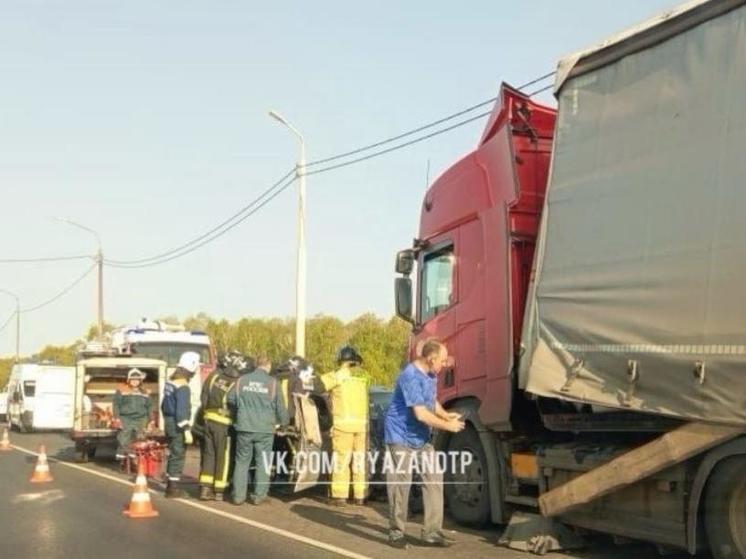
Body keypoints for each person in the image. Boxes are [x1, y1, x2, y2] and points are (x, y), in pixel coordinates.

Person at [383, 339, 465, 549]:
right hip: (400, 436)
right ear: (431, 358)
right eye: (443, 360)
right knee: (401, 483)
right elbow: (420, 414)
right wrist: (449, 427)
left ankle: (431, 532)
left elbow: (431, 401)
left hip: (419, 437)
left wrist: (446, 415)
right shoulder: (409, 376)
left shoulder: (431, 374)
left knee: (434, 477)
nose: (445, 364)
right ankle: (396, 532)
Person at [228, 356, 288, 506]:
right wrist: (284, 423)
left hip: (244, 427)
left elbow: (230, 399)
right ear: (268, 366)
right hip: (265, 429)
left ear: (256, 365)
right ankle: (258, 496)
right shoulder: (273, 383)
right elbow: (280, 407)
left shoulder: (242, 380)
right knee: (263, 462)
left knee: (242, 462)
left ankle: (238, 496)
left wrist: (238, 414)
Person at [318, 345, 370, 506]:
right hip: (361, 426)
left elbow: (318, 386)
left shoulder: (338, 375)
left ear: (341, 360)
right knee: (359, 461)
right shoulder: (363, 376)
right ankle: (360, 496)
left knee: (342, 461)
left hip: (344, 425)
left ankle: (340, 496)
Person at [197, 350, 244, 501]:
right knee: (223, 458)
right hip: (224, 425)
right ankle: (219, 490)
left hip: (208, 421)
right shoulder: (236, 382)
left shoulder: (215, 376)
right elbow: (236, 406)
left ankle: (205, 488)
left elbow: (203, 397)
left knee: (209, 455)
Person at [162, 351, 200, 498]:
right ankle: (172, 489)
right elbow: (182, 410)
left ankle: (171, 484)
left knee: (173, 453)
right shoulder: (183, 386)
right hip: (178, 424)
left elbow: (163, 404)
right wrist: (186, 429)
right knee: (178, 454)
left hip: (169, 421)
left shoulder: (170, 382)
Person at [112, 368, 152, 462]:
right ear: (129, 380)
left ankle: (133, 455)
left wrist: (151, 420)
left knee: (139, 437)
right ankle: (122, 455)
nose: (135, 381)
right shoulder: (121, 390)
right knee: (123, 437)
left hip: (141, 419)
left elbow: (149, 406)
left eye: (137, 379)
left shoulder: (145, 392)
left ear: (140, 381)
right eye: (133, 379)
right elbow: (116, 404)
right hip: (126, 418)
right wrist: (117, 418)